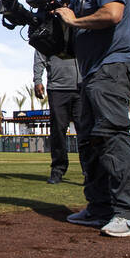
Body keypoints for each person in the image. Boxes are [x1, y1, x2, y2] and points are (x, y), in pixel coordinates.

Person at [53, 0, 130, 238]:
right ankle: (100, 207)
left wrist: (75, 21)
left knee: (111, 137)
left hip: (114, 66)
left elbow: (112, 13)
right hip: (91, 73)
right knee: (90, 141)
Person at [33, 48, 80, 183]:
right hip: (57, 88)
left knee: (85, 131)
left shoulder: (82, 29)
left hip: (82, 87)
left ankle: (90, 171)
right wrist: (37, 80)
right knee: (58, 131)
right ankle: (58, 170)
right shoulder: (51, 33)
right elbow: (39, 55)